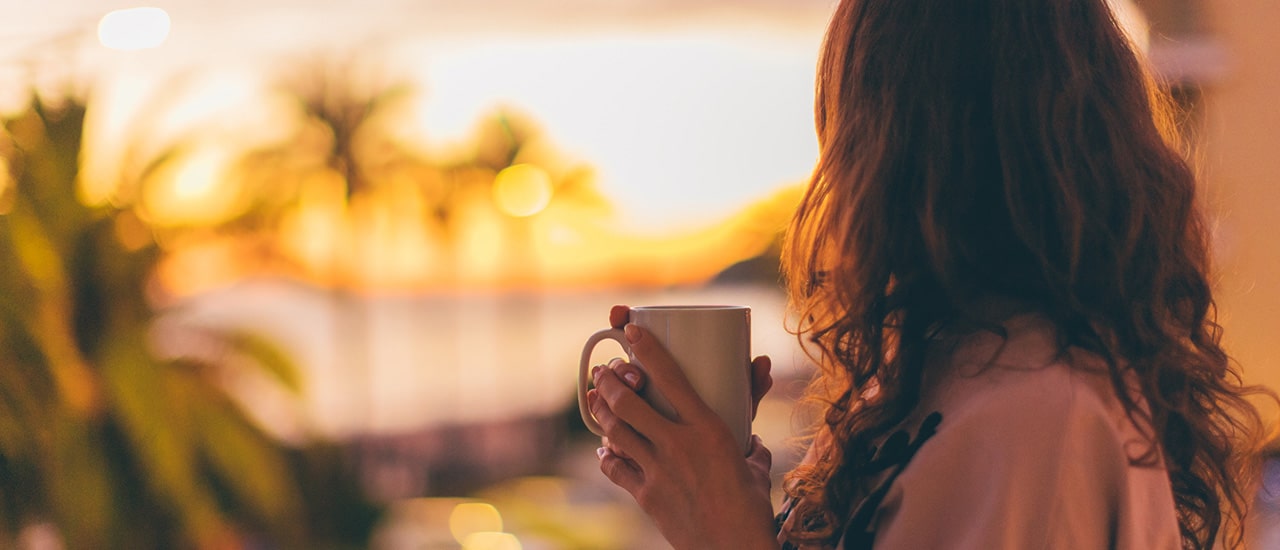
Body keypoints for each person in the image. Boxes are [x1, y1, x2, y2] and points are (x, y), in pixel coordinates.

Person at [583, 0, 1276, 548]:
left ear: (902, 147)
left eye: (848, 131)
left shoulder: (1038, 416)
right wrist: (730, 500)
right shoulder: (942, 377)